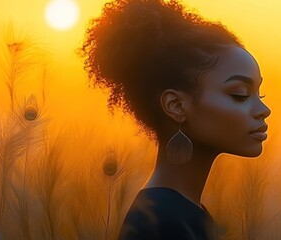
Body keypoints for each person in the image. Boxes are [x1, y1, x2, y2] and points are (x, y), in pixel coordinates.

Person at [81, 0, 271, 239]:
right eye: (240, 95)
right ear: (176, 106)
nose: (263, 109)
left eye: (259, 94)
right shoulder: (160, 223)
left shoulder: (183, 212)